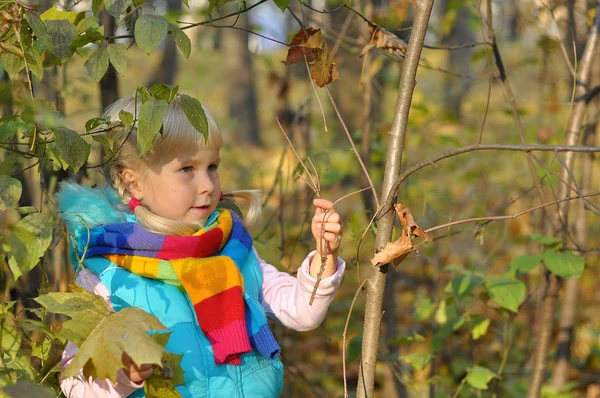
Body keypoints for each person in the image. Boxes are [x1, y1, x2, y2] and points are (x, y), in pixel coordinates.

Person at [56, 94, 345, 397]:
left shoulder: (232, 245)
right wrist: (120, 376)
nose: (207, 184)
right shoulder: (107, 272)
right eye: (187, 169)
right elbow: (73, 380)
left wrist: (323, 260)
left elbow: (302, 312)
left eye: (212, 167)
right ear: (133, 183)